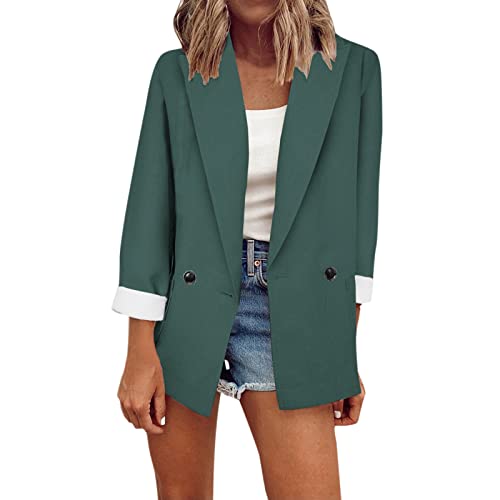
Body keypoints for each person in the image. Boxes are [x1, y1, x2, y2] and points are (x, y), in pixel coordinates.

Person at [112, 0, 382, 497]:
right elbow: (151, 210)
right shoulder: (178, 73)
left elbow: (356, 223)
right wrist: (138, 348)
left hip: (294, 307)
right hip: (188, 303)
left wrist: (339, 351)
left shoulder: (353, 69)